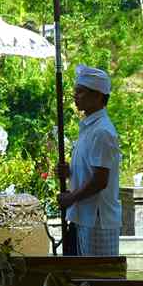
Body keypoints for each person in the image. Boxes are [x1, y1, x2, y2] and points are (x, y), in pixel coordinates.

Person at [56, 65, 121, 257]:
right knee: (83, 278)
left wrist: (71, 198)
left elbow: (100, 180)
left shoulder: (102, 132)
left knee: (98, 280)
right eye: (75, 91)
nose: (76, 96)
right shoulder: (89, 128)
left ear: (99, 96)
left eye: (81, 92)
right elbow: (90, 172)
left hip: (97, 220)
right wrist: (69, 172)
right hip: (84, 217)